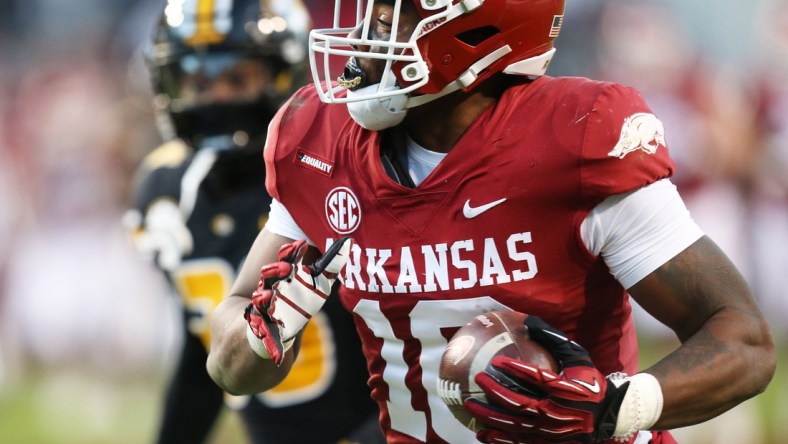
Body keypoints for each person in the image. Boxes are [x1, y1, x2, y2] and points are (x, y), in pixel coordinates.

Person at [206, 1, 776, 443]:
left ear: (479, 27)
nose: (372, 22)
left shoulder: (577, 138)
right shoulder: (319, 142)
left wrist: (613, 406)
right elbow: (230, 368)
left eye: (400, 6)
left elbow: (741, 339)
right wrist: (265, 331)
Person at [125, 0, 382, 442]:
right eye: (198, 79)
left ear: (283, 75)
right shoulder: (166, 189)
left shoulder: (336, 172)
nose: (216, 96)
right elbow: (201, 349)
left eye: (237, 77)